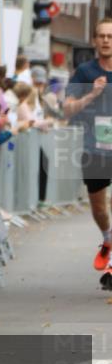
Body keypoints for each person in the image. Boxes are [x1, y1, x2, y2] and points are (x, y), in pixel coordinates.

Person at [63, 17, 112, 289]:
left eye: (110, 36)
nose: (106, 40)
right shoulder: (84, 72)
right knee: (98, 207)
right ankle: (107, 237)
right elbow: (67, 109)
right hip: (95, 147)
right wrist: (91, 95)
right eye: (101, 35)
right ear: (95, 40)